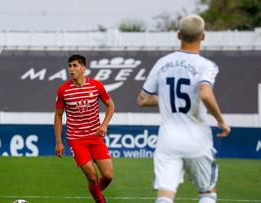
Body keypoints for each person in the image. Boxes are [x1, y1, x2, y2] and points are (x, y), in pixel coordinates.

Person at [137, 15, 231, 203]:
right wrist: (221, 120)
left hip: (168, 141)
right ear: (202, 36)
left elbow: (143, 99)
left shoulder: (162, 63)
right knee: (207, 193)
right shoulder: (206, 65)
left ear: (178, 34)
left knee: (165, 195)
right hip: (197, 140)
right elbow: (204, 94)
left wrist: (164, 98)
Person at [54, 54, 115, 203]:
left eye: (74, 66)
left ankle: (95, 192)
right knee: (92, 177)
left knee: (108, 176)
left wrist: (104, 125)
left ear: (83, 68)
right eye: (70, 66)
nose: (71, 69)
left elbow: (111, 106)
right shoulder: (63, 90)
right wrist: (59, 142)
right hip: (76, 139)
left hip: (95, 137)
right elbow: (58, 116)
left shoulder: (96, 85)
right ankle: (100, 200)